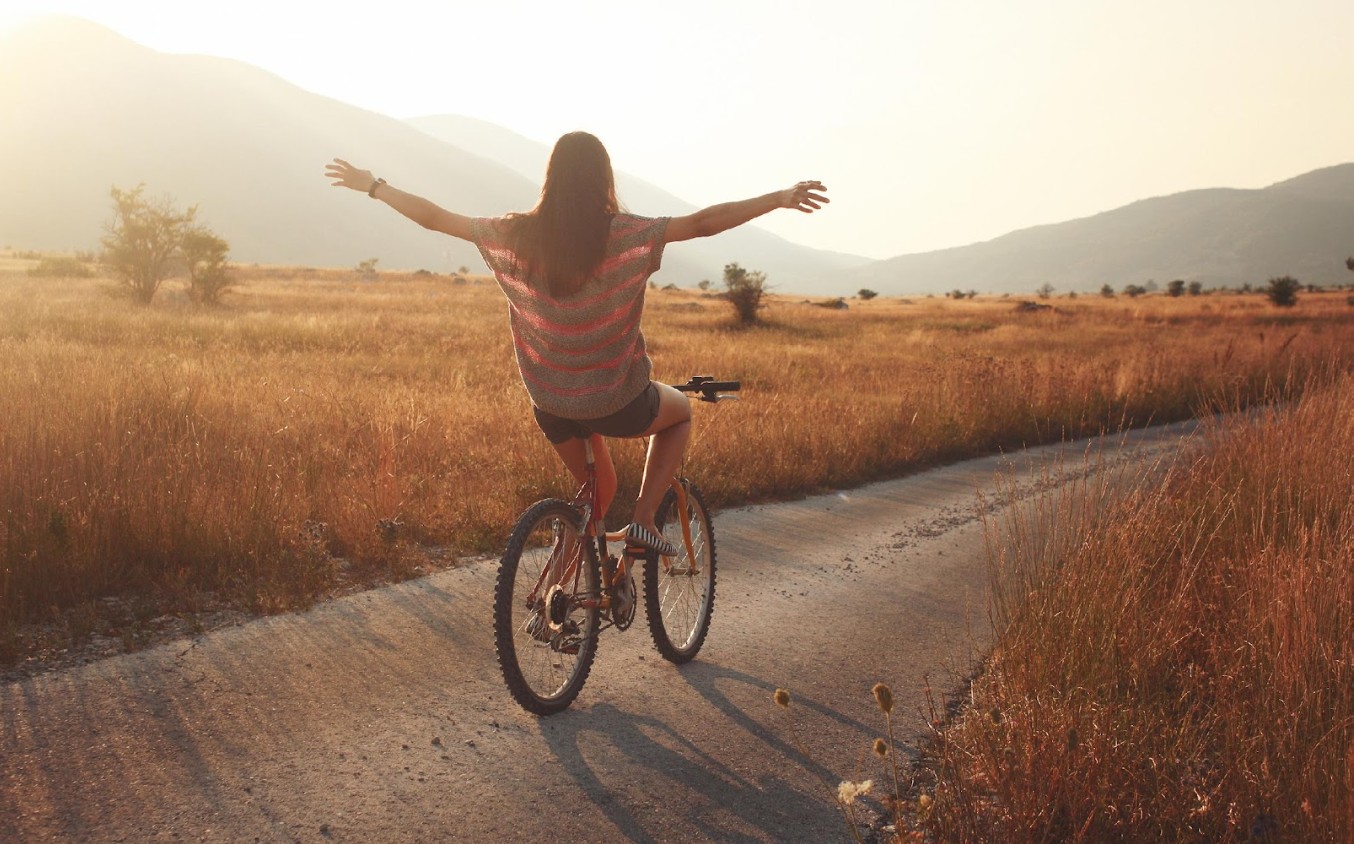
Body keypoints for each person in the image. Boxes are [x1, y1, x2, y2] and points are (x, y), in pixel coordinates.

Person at [325, 131, 827, 556]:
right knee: (680, 414)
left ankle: (558, 595)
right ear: (604, 180)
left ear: (551, 179)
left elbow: (435, 218)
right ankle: (647, 522)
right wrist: (777, 197)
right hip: (618, 402)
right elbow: (701, 223)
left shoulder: (516, 235)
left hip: (550, 403)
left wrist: (374, 186)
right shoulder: (628, 234)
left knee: (596, 493)